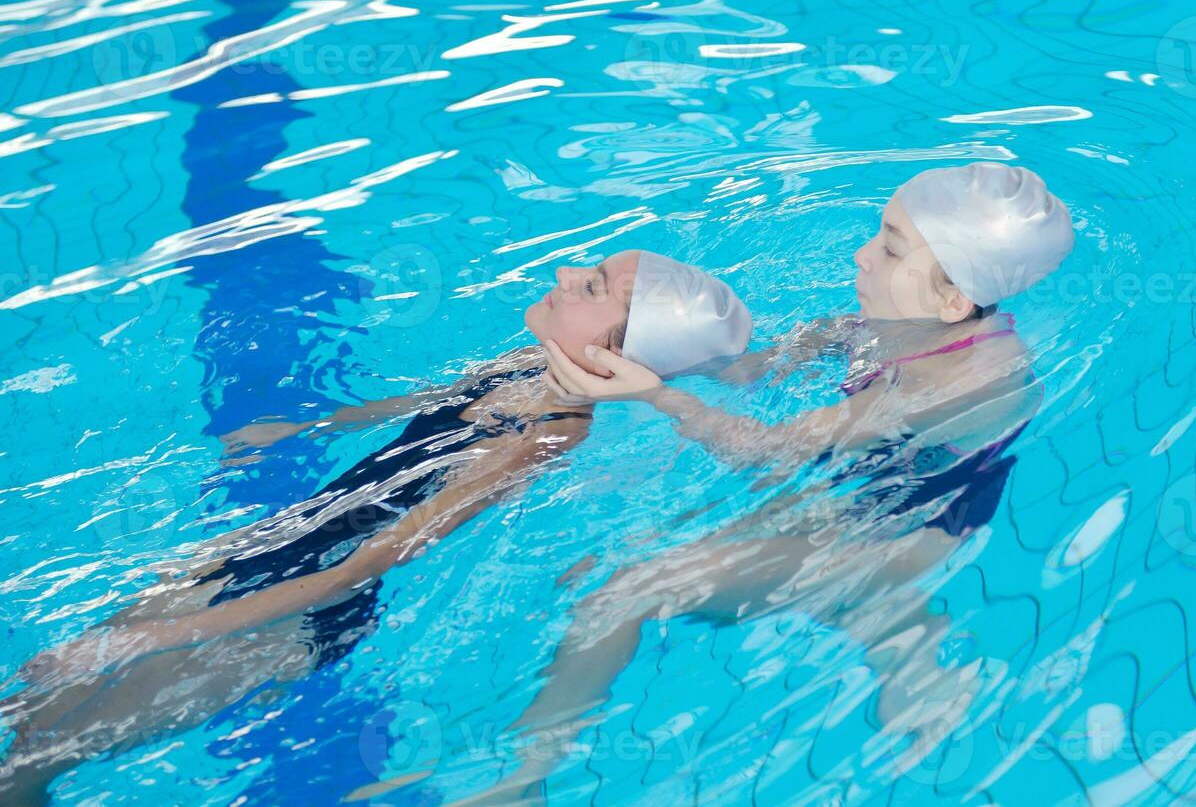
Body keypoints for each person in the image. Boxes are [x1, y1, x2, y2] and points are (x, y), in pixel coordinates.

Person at [0, 249, 752, 805]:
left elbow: (360, 567)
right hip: (278, 544)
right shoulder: (524, 363)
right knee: (24, 713)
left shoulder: (546, 435)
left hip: (304, 612)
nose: (562, 273)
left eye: (591, 288)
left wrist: (134, 642)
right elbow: (418, 406)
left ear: (614, 356)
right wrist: (307, 425)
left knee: (37, 761)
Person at [491, 162, 1076, 800]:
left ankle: (521, 784)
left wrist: (658, 398)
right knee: (601, 566)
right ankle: (896, 632)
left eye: (888, 246)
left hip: (904, 537)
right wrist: (646, 329)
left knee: (627, 590)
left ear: (951, 299)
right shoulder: (878, 324)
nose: (861, 255)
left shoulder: (967, 378)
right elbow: (747, 373)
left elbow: (767, 449)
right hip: (854, 496)